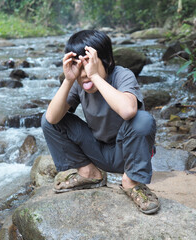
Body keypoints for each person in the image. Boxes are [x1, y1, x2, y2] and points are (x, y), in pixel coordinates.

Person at [41, 29, 160, 214]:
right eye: (80, 67)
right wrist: (68, 79)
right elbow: (52, 119)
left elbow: (128, 111)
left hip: (127, 153)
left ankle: (132, 181)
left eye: (89, 64)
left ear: (108, 62)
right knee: (48, 120)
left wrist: (95, 75)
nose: (84, 74)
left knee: (143, 119)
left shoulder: (122, 75)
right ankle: (90, 174)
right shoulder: (78, 83)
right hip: (98, 150)